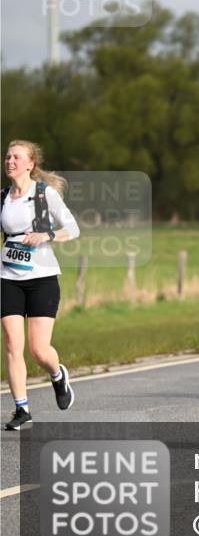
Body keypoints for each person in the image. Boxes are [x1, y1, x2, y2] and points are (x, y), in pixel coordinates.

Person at [2, 140, 80, 430]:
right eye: (7, 156)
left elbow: (72, 228)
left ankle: (57, 376)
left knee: (38, 350)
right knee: (12, 345)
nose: (9, 161)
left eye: (16, 157)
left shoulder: (43, 194)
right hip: (8, 278)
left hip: (42, 278)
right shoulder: (3, 198)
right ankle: (22, 410)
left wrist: (46, 235)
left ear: (30, 164)